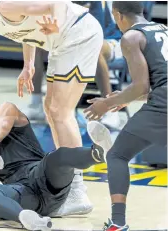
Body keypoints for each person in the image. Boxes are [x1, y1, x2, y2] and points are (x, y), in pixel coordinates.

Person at [0, 0, 104, 216]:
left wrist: (57, 22)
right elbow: (27, 30)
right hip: (60, 42)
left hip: (78, 33)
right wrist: (28, 64)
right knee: (51, 109)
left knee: (61, 111)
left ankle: (77, 190)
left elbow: (54, 3)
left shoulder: (5, 5)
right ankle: (73, 186)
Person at [0, 73, 113, 230]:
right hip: (25, 195)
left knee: (58, 156)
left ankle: (98, 153)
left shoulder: (6, 109)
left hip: (43, 177)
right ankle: (28, 219)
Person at [84, 2, 167, 230]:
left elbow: (140, 86)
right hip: (162, 98)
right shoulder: (162, 29)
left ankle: (117, 223)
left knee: (118, 156)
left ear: (117, 15)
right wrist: (125, 98)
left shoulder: (130, 37)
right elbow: (156, 81)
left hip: (163, 105)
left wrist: (107, 103)